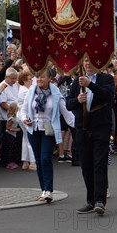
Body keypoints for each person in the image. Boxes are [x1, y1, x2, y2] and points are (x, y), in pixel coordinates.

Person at [67, 58, 115, 215]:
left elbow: (107, 96)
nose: (87, 64)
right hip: (82, 127)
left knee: (99, 163)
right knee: (86, 165)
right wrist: (77, 100)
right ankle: (90, 200)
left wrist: (90, 85)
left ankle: (100, 200)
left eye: (90, 61)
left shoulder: (106, 78)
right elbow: (68, 104)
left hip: (101, 127)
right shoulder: (76, 82)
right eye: (85, 61)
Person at [20, 68, 74, 203]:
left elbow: (66, 112)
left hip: (48, 130)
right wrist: (24, 118)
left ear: (49, 78)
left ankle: (49, 190)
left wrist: (79, 124)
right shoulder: (31, 92)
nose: (39, 80)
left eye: (42, 77)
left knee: (45, 158)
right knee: (38, 160)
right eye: (37, 77)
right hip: (33, 128)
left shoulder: (56, 94)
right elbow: (24, 109)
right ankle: (43, 189)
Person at [17, 71, 36, 170]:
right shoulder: (25, 91)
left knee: (25, 139)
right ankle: (32, 162)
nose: (31, 81)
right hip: (25, 117)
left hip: (22, 116)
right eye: (29, 79)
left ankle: (25, 161)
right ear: (24, 81)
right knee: (30, 139)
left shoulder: (23, 89)